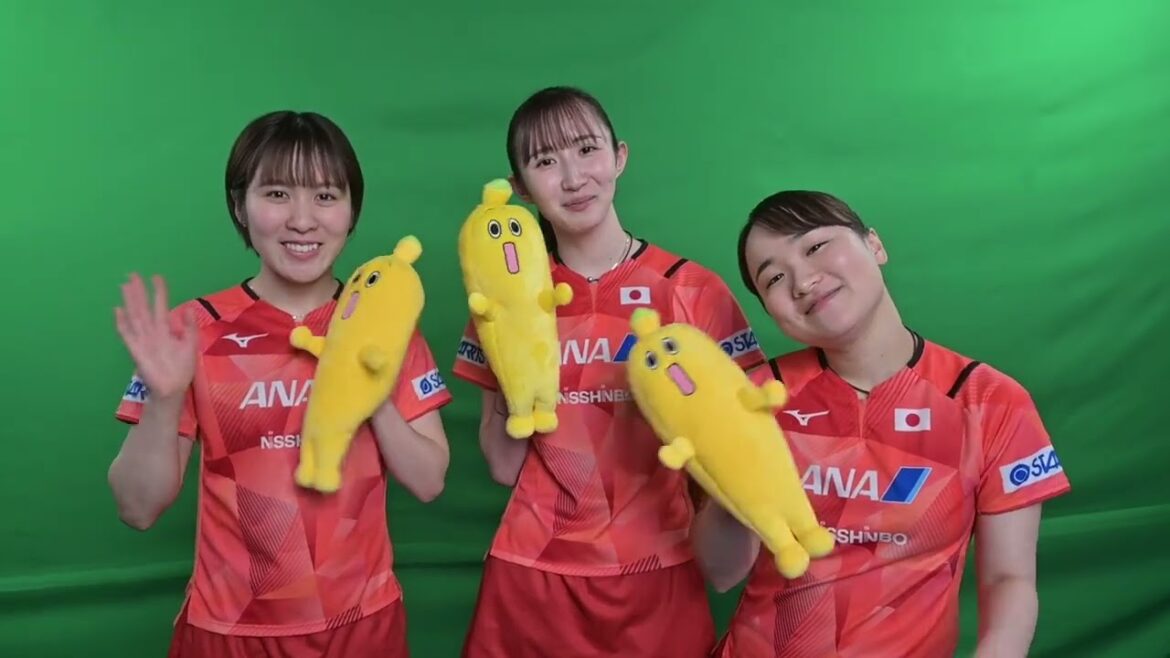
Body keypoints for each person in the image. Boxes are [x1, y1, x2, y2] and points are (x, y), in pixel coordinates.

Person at [107, 110, 453, 658]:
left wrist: (369, 388)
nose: (302, 220)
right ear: (239, 206)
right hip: (229, 633)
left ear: (352, 210)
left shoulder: (385, 325)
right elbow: (137, 509)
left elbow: (430, 480)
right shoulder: (192, 330)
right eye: (276, 194)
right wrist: (166, 400)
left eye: (325, 196)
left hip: (362, 627)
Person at [450, 86, 767, 658]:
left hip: (660, 568)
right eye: (546, 161)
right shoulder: (505, 298)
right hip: (532, 573)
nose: (574, 178)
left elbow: (746, 446)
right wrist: (511, 342)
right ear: (520, 187)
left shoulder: (692, 289)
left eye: (586, 149)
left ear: (619, 156)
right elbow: (503, 464)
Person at [695, 190, 1072, 657]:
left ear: (874, 244)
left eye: (815, 246)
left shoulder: (989, 401)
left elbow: (1008, 579)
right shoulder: (752, 395)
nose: (803, 281)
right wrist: (728, 477)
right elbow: (722, 573)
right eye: (773, 278)